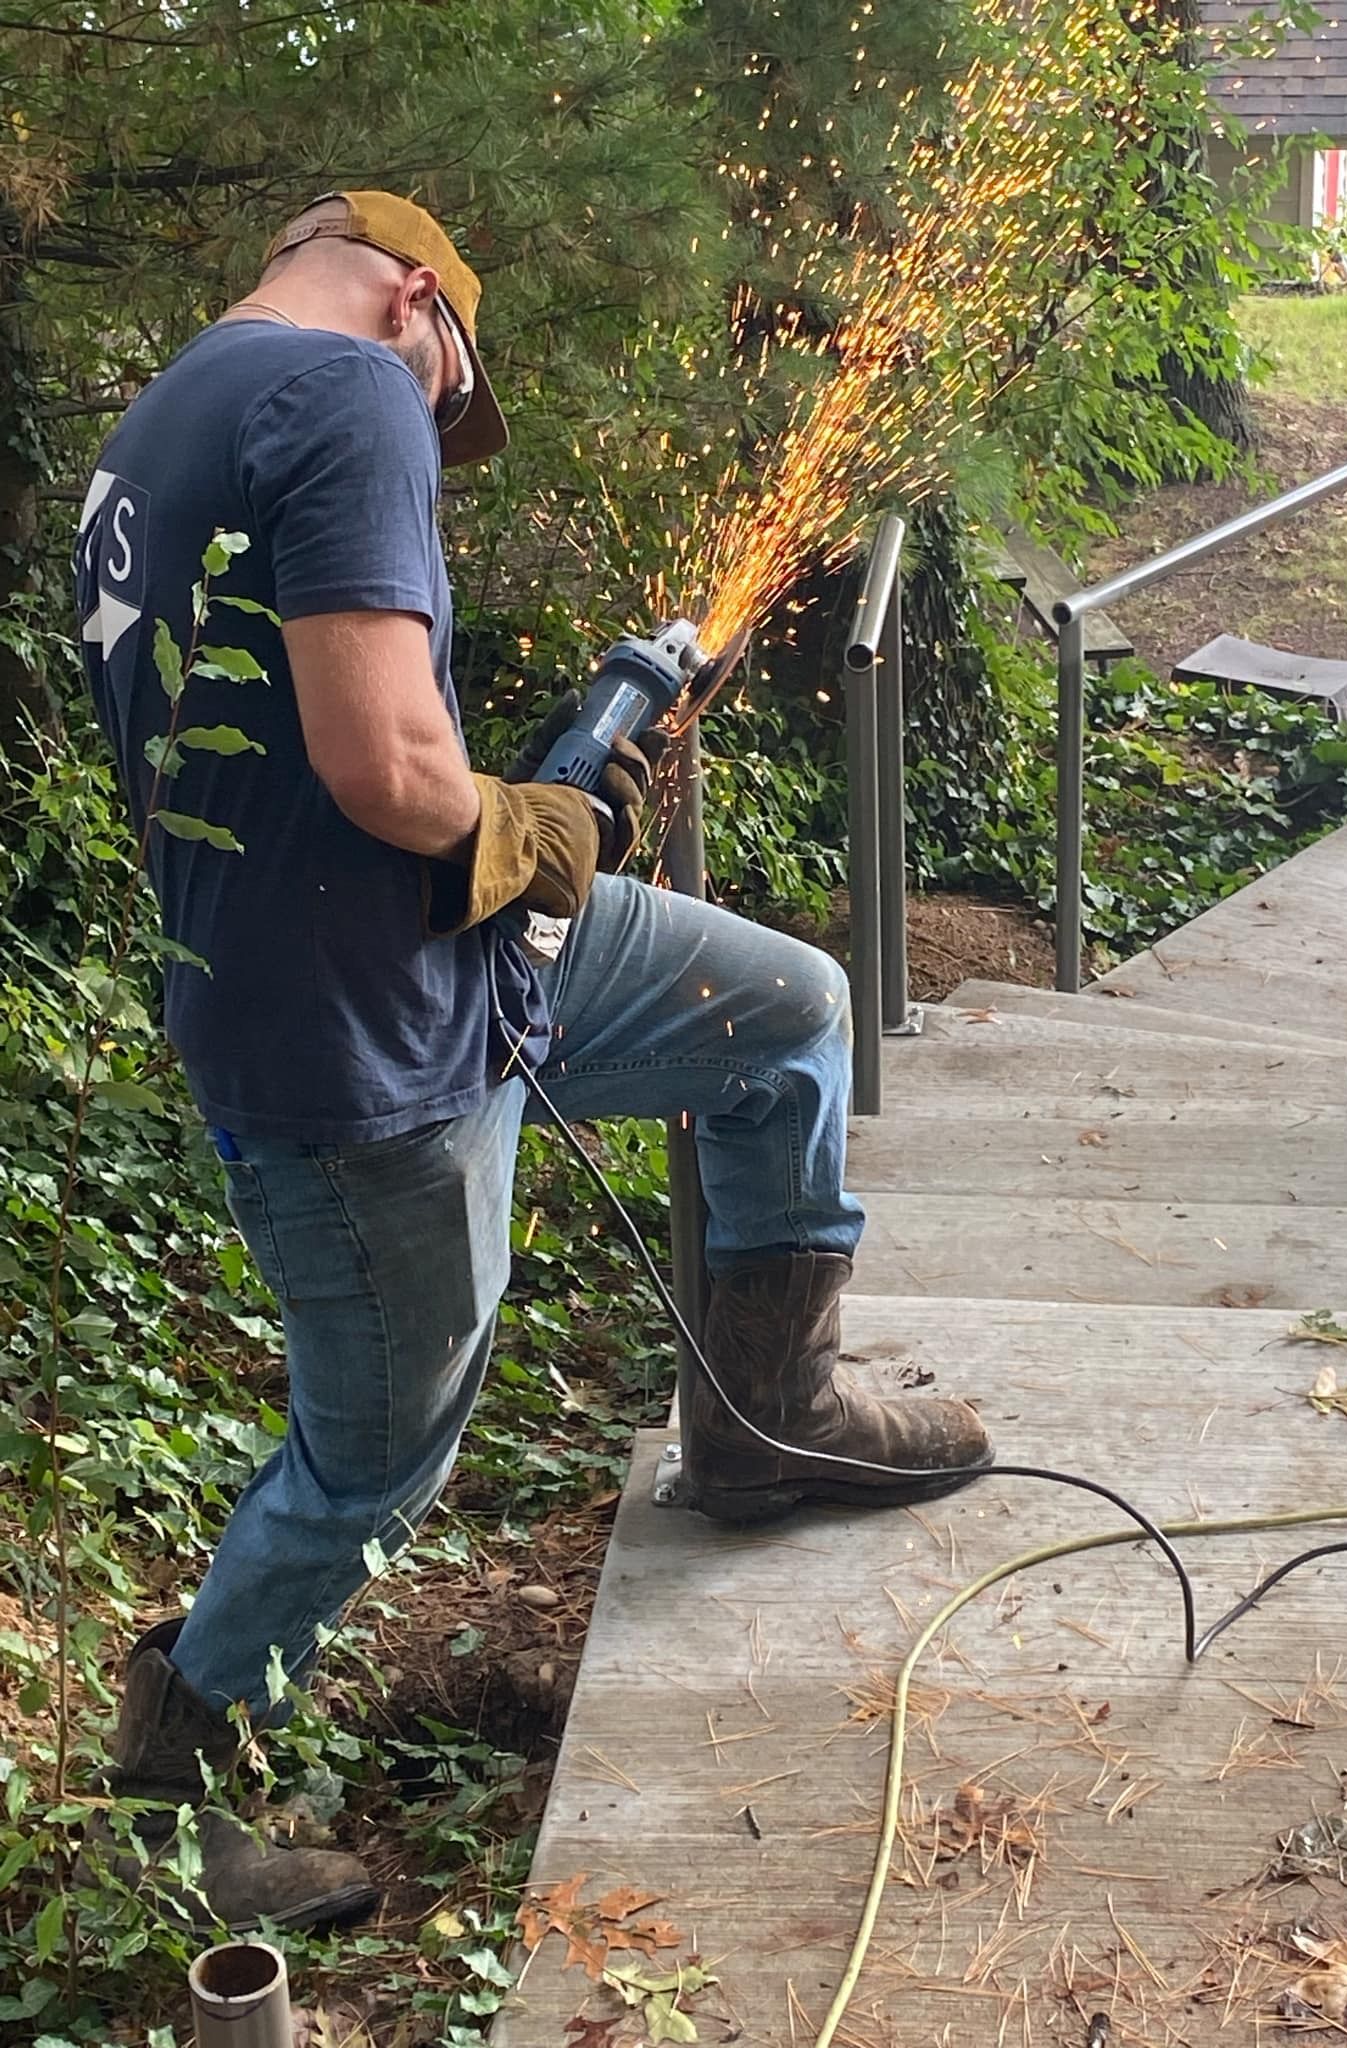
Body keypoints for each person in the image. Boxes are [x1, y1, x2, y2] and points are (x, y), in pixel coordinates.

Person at [73, 190, 993, 1930]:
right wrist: (539, 822)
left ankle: (768, 1421)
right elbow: (387, 775)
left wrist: (530, 819)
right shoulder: (344, 392)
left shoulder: (162, 421)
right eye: (446, 392)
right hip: (358, 1054)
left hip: (437, 963)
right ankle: (172, 1791)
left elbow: (318, 764)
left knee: (785, 1010)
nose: (431, 429)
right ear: (417, 298)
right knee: (376, 1461)